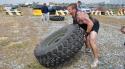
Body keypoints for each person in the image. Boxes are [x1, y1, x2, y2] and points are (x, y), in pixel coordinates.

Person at [67, 3, 100, 68]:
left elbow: (90, 24)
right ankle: (88, 49)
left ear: (74, 10)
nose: (68, 11)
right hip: (86, 25)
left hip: (93, 25)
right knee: (84, 38)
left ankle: (96, 60)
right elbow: (76, 24)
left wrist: (86, 34)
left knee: (91, 40)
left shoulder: (80, 15)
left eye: (69, 9)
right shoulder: (73, 15)